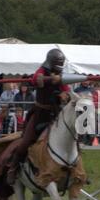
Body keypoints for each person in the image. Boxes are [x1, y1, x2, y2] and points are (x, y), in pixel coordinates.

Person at [6, 48, 70, 185]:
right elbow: (36, 80)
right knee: (25, 142)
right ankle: (13, 168)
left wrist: (65, 95)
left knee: (71, 138)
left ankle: (76, 171)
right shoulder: (42, 70)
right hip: (40, 114)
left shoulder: (61, 75)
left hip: (57, 114)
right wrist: (52, 79)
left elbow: (67, 91)